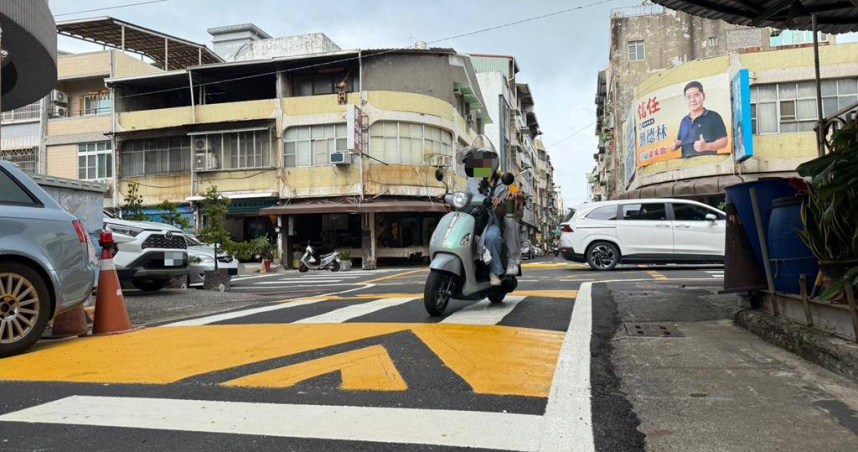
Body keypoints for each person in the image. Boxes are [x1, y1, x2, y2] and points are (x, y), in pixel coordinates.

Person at [461, 147, 520, 286]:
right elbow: (465, 196)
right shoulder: (473, 181)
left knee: (492, 236)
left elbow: (516, 196)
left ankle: (495, 272)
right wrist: (450, 197)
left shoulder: (503, 180)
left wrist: (504, 200)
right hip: (474, 219)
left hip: (492, 220)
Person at [673, 80, 728, 158]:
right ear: (685, 99)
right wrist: (676, 145)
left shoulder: (714, 116)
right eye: (689, 97)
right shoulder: (684, 121)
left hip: (708, 164)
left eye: (696, 95)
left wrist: (707, 146)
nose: (692, 100)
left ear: (703, 96)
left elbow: (724, 141)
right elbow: (680, 140)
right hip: (686, 166)